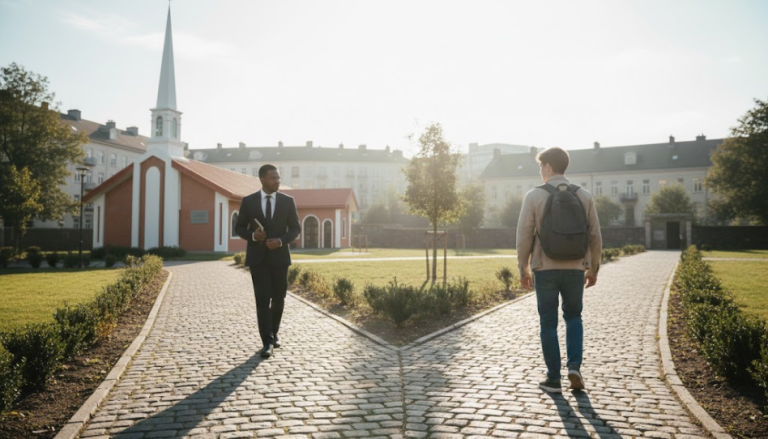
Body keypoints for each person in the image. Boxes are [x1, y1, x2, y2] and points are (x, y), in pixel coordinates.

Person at [516, 147, 602, 393]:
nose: (540, 171)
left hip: (545, 268)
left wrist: (523, 268)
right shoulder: (584, 195)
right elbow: (595, 235)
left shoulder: (534, 196)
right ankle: (574, 366)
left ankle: (553, 378)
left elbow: (524, 236)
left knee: (548, 323)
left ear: (548, 167)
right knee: (574, 317)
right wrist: (593, 268)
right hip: (576, 268)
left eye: (541, 166)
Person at [236, 164, 301, 358]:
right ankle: (267, 341)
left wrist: (281, 241)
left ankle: (275, 332)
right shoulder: (249, 202)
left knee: (279, 299)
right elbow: (239, 228)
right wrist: (254, 236)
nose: (277, 181)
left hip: (280, 258)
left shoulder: (288, 201)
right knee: (262, 300)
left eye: (279, 178)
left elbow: (295, 228)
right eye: (273, 178)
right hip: (258, 259)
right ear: (262, 179)